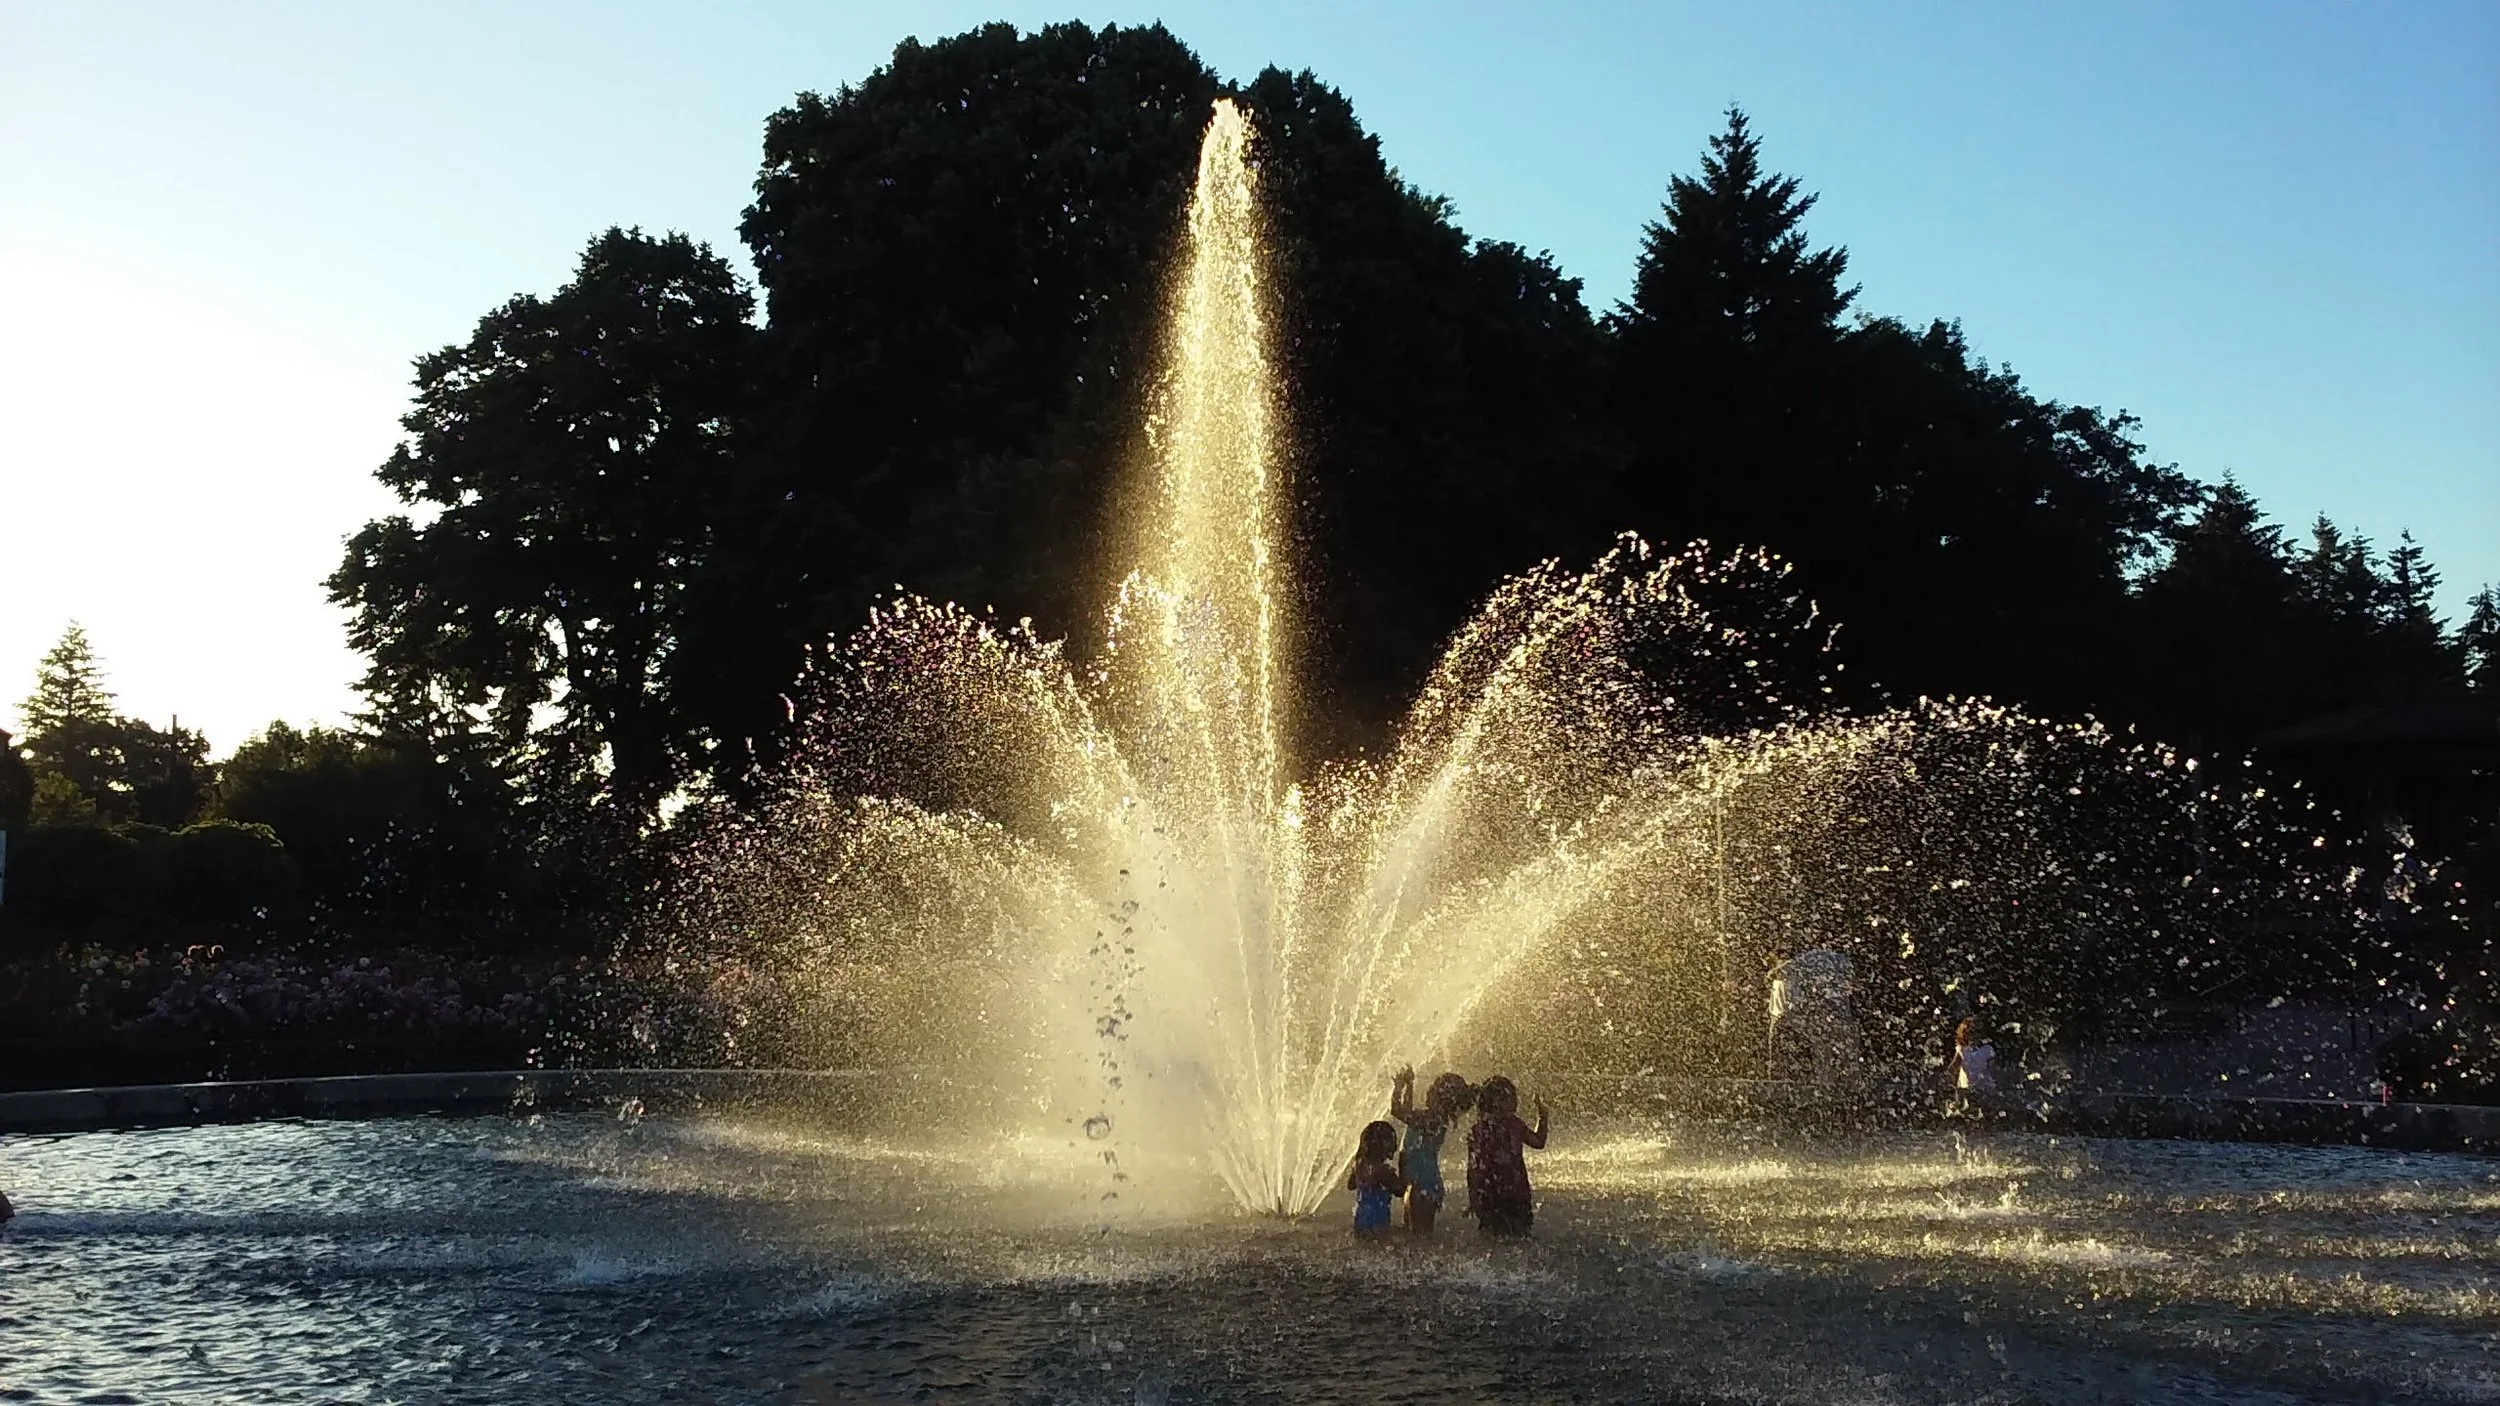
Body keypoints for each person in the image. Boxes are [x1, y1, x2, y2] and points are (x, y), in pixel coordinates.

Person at [1389, 1066, 1474, 1235]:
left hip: (1422, 1186)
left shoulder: (1431, 1120)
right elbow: (1407, 1110)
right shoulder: (1431, 1118)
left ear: (1442, 1098)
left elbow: (1398, 1111)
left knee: (1419, 1239)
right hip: (1420, 1183)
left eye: (1433, 1089)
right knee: (1414, 1235)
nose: (1428, 1090)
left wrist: (1399, 1086)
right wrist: (1410, 1085)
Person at [1464, 1075, 1548, 1237]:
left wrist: (1473, 1198)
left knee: (1495, 1236)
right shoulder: (1512, 1126)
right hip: (1511, 1191)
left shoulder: (1481, 1130)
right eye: (1512, 1097)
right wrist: (1543, 1118)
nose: (1517, 1101)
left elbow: (1472, 1169)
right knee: (1518, 1235)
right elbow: (1538, 1141)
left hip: (1497, 1193)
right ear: (1498, 1101)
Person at [1347, 1120, 1408, 1238]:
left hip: (1360, 1223)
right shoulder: (1384, 1171)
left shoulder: (1359, 1165)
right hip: (1379, 1224)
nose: (1395, 1146)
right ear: (1383, 1145)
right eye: (1392, 1141)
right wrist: (1403, 1166)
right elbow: (1400, 1191)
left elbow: (1351, 1185)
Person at [1948, 1018, 1998, 1116]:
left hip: (1983, 1084)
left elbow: (1994, 1067)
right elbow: (1953, 1066)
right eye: (1969, 1033)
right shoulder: (1962, 1049)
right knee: (1966, 1107)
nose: (1973, 1036)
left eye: (1976, 1033)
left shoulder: (1987, 1049)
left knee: (1983, 1109)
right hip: (1966, 1084)